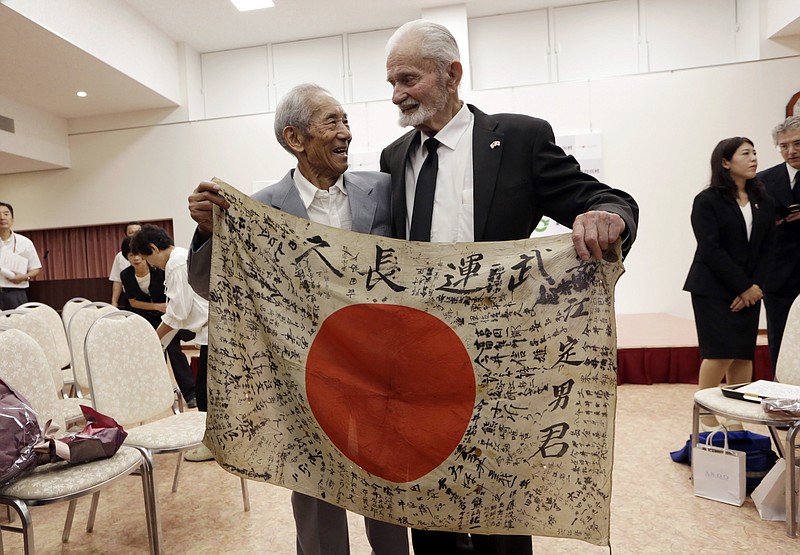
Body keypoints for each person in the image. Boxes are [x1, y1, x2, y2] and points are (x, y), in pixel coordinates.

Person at [380, 20, 639, 555]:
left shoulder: (518, 138)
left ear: (452, 74)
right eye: (392, 83)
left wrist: (606, 217)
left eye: (409, 79)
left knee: (500, 507)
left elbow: (607, 198)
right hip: (421, 362)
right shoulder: (394, 157)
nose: (398, 95)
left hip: (501, 363)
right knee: (428, 502)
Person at [186, 84, 409, 555]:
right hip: (306, 376)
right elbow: (209, 285)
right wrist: (207, 230)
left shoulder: (387, 189)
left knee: (389, 492)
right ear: (295, 138)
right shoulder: (260, 207)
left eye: (347, 121)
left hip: (381, 371)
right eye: (332, 122)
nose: (346, 132)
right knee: (317, 494)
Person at [683, 137, 775, 430]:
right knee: (719, 353)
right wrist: (742, 287)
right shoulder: (707, 200)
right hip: (712, 289)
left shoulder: (763, 200)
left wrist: (755, 287)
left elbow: (768, 248)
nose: (753, 158)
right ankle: (706, 412)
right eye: (745, 153)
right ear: (725, 162)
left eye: (755, 153)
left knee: (742, 356)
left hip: (750, 290)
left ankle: (737, 415)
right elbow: (711, 249)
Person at [128, 224, 211, 460]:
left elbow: (177, 313)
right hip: (210, 329)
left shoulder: (175, 264)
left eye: (148, 259)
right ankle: (214, 443)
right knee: (208, 392)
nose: (152, 265)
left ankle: (211, 445)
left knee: (206, 395)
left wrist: (152, 341)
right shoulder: (183, 255)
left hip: (212, 331)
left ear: (154, 248)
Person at [119, 236, 197, 408]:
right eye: (131, 255)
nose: (136, 259)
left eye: (138, 255)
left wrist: (165, 311)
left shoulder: (163, 268)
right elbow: (132, 302)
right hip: (144, 320)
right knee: (151, 357)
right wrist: (156, 307)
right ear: (126, 257)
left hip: (167, 318)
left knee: (174, 351)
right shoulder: (126, 275)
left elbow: (176, 308)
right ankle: (154, 396)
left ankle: (190, 394)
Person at [759, 116, 800, 372]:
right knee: (780, 337)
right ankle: (780, 393)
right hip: (778, 275)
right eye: (784, 146)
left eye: (797, 144)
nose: (791, 151)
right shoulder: (762, 181)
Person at [0, 202, 42, 310]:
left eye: (6, 214)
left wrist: (25, 276)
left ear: (12, 219)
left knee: (17, 325)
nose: (2, 217)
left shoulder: (25, 242)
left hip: (16, 294)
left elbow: (35, 268)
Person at [109, 221, 142, 308]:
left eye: (137, 233)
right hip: (130, 297)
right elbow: (117, 280)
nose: (134, 236)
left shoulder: (150, 252)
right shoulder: (120, 256)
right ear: (126, 235)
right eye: (131, 233)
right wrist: (114, 302)